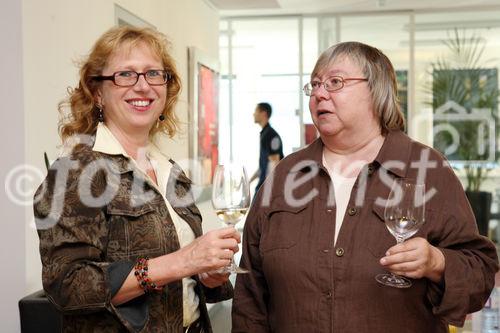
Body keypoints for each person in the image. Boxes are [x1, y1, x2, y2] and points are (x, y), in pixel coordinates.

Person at [231, 41, 499, 333]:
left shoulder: (427, 169)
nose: (320, 93)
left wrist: (437, 262)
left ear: (376, 91)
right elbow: (250, 294)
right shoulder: (285, 174)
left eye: (335, 82)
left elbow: (480, 273)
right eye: (315, 85)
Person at [33, 26, 240, 333]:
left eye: (153, 74)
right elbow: (68, 286)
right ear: (97, 92)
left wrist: (208, 275)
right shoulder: (75, 172)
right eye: (126, 75)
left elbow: (187, 281)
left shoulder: (172, 172)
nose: (143, 86)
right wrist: (182, 262)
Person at [249, 102, 284, 194]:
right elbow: (263, 167)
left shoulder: (271, 135)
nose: (253, 114)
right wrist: (248, 182)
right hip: (262, 188)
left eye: (256, 111)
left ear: (263, 113)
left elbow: (275, 164)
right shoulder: (265, 134)